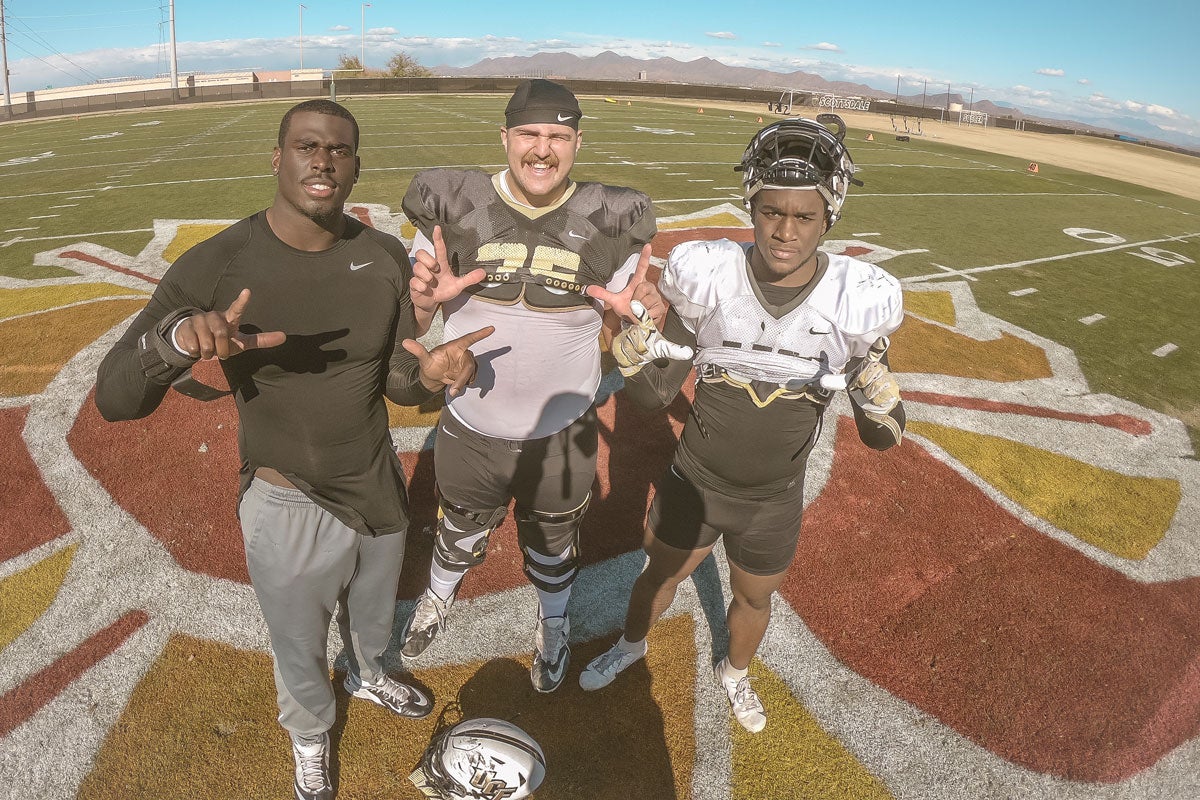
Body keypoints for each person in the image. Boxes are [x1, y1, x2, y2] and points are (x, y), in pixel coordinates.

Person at [94, 99, 492, 800]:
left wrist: (427, 376)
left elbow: (396, 376)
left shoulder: (381, 253)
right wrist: (181, 343)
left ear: (356, 166)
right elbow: (116, 399)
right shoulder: (218, 263)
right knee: (301, 644)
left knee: (374, 619)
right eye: (306, 145)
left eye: (339, 149)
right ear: (277, 158)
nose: (323, 159)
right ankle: (309, 730)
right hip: (288, 497)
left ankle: (370, 676)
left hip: (377, 484)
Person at [577, 114, 906, 733]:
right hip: (693, 481)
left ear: (829, 215)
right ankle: (631, 644)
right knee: (658, 578)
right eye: (770, 211)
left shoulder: (856, 299)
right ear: (750, 206)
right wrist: (634, 347)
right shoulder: (710, 275)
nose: (784, 231)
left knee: (755, 597)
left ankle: (735, 672)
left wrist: (878, 397)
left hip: (772, 499)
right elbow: (651, 398)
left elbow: (882, 437)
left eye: (803, 216)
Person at [397, 79, 666, 694]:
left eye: (557, 136)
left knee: (553, 539)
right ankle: (439, 595)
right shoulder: (452, 207)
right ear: (505, 137)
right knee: (459, 524)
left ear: (576, 142)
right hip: (470, 425)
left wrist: (636, 322)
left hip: (561, 431)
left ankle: (553, 619)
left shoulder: (611, 222)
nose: (541, 150)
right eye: (529, 134)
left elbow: (612, 332)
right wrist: (418, 310)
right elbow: (417, 320)